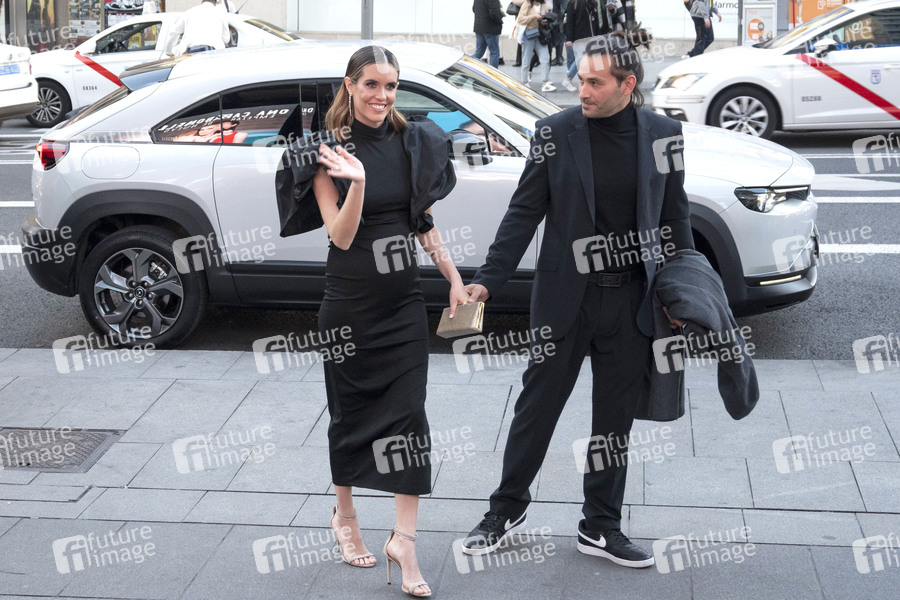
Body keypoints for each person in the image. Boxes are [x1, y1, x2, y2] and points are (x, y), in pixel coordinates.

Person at [460, 29, 694, 568]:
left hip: (632, 302)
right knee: (536, 408)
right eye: (581, 79)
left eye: (595, 82)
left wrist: (680, 294)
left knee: (614, 422)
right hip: (565, 298)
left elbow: (674, 216)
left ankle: (600, 525)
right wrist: (488, 280)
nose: (582, 90)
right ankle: (505, 509)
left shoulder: (664, 134)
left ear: (627, 85)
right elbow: (524, 211)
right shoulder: (555, 131)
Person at [275, 45, 465, 598]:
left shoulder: (414, 141)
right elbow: (340, 235)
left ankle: (405, 540)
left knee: (410, 417)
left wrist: (453, 277)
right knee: (350, 415)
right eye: (372, 84)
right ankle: (346, 517)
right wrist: (356, 182)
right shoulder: (325, 150)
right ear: (350, 85)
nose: (383, 96)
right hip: (350, 304)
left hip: (403, 303)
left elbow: (422, 220)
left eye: (391, 85)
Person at [513, 0, 556, 91]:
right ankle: (524, 82)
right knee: (526, 59)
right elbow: (520, 19)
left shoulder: (543, 5)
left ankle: (546, 83)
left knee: (545, 58)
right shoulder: (527, 4)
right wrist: (533, 16)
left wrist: (544, 21)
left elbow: (546, 17)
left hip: (541, 35)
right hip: (529, 34)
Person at [164, 0, 230, 57]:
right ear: (215, 3)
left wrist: (168, 51)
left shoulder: (189, 12)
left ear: (202, 1)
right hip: (213, 51)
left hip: (191, 51)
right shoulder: (221, 14)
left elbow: (173, 33)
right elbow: (226, 39)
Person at [473, 0, 503, 68]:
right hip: (491, 28)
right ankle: (493, 73)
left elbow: (474, 9)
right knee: (494, 52)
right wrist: (500, 21)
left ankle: (465, 65)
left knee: (479, 51)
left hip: (479, 27)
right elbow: (494, 13)